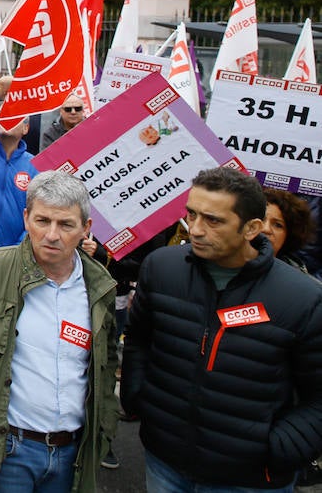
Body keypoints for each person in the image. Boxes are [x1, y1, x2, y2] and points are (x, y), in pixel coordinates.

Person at [121, 167, 322, 492]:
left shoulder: (303, 299)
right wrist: (137, 397)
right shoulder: (161, 268)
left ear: (252, 228)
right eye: (192, 215)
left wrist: (280, 449)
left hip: (249, 480)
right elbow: (139, 341)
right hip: (165, 462)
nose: (196, 229)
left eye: (213, 220)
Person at [0, 170, 117, 493]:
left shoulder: (99, 286)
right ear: (26, 218)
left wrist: (105, 424)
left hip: (71, 456)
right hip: (6, 452)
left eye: (66, 225)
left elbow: (107, 358)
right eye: (43, 221)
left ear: (86, 228)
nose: (52, 235)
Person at [0, 115, 39, 251]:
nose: (8, 119)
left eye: (14, 117)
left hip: (12, 258)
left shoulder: (35, 167)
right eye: (3, 115)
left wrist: (17, 249)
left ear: (26, 128)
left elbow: (37, 214)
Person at [262, 187, 316, 273]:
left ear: (288, 236)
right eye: (261, 219)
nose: (266, 229)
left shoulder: (299, 282)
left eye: (278, 225)